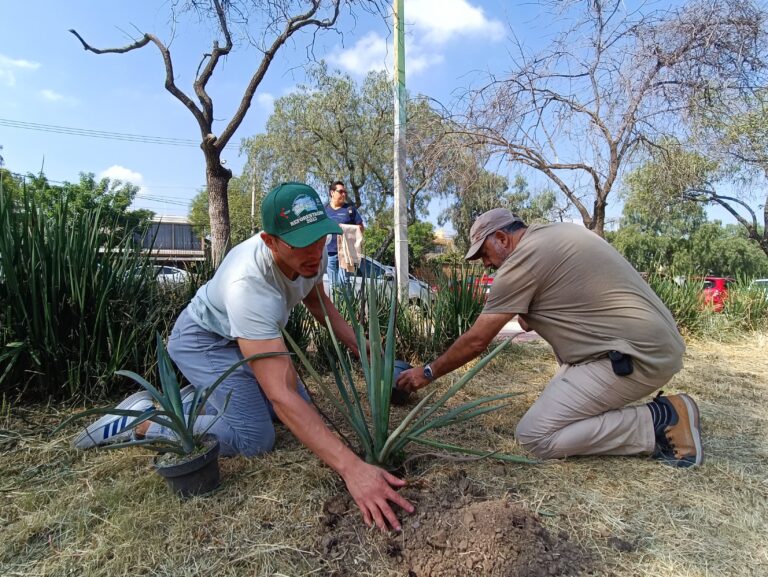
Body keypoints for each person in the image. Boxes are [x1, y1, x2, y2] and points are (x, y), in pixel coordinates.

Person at [74, 182, 413, 531]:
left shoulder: (310, 255)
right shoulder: (248, 285)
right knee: (255, 437)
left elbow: (318, 302)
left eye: (320, 237)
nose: (314, 251)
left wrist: (364, 348)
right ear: (270, 242)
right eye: (301, 242)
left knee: (300, 404)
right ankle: (144, 421)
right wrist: (353, 469)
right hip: (205, 342)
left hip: (243, 337)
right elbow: (280, 395)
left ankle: (201, 400)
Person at [396, 208, 703, 468]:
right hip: (650, 345)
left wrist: (427, 372)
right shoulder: (556, 234)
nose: (485, 264)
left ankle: (661, 423)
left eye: (484, 254)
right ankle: (657, 415)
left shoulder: (521, 261)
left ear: (502, 238)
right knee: (555, 407)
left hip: (634, 356)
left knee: (534, 437)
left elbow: (478, 340)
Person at [324, 180, 364, 289]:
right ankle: (336, 306)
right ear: (332, 193)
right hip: (329, 253)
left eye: (345, 192)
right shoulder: (324, 209)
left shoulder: (350, 209)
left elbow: (361, 228)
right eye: (340, 191)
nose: (344, 194)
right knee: (334, 286)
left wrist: (345, 228)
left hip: (345, 253)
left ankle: (347, 305)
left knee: (344, 284)